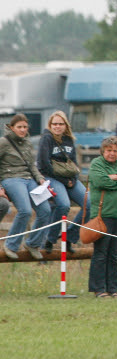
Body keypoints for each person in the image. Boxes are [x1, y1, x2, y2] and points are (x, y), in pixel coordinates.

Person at [87, 136, 117, 297]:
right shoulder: (97, 164)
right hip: (103, 215)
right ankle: (99, 288)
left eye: (115, 151)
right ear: (103, 151)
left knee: (115, 254)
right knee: (101, 253)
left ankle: (112, 288)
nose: (112, 154)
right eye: (109, 150)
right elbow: (101, 182)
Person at [0, 114, 52, 260]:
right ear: (12, 128)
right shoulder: (3, 142)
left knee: (45, 210)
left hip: (29, 179)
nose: (22, 130)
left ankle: (32, 243)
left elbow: (31, 165)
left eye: (25, 127)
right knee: (25, 210)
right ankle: (11, 244)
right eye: (19, 127)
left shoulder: (27, 143)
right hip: (11, 178)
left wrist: (40, 179)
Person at [38, 111, 87, 254]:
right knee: (64, 205)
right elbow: (43, 165)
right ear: (50, 125)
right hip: (52, 177)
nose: (57, 126)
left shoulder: (69, 139)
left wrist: (73, 179)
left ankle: (70, 237)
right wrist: (65, 181)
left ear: (65, 125)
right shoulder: (46, 139)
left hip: (70, 178)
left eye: (61, 124)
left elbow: (74, 163)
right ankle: (50, 239)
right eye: (55, 124)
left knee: (90, 204)